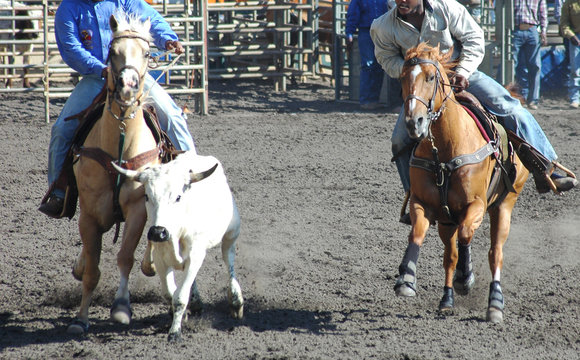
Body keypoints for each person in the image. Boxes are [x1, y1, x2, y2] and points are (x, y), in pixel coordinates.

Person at [370, 0, 578, 223]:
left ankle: (547, 168)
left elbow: (474, 38)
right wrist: (412, 72)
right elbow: (386, 57)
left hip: (462, 76)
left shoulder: (446, 8)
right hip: (425, 88)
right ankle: (414, 197)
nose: (401, 0)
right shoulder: (382, 26)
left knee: (510, 108)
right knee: (399, 140)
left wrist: (463, 71)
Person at [39, 0, 196, 218]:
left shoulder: (123, 1)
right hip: (97, 77)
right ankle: (59, 193)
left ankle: (192, 174)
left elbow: (150, 17)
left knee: (171, 115)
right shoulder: (69, 8)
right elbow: (71, 48)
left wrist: (168, 38)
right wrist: (101, 69)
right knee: (61, 130)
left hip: (133, 75)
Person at [345, 0, 390, 110]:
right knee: (368, 65)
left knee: (379, 66)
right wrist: (349, 32)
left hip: (381, 33)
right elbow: (353, 14)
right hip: (367, 32)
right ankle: (366, 100)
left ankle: (373, 99)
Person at [512, 0, 548, 110]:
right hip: (515, 29)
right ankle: (513, 97)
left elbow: (543, 13)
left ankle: (533, 99)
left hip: (532, 29)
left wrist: (543, 31)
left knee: (535, 66)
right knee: (511, 65)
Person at [559, 0, 580, 108]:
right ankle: (575, 98)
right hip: (576, 37)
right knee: (575, 70)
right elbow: (564, 23)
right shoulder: (570, 3)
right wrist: (571, 36)